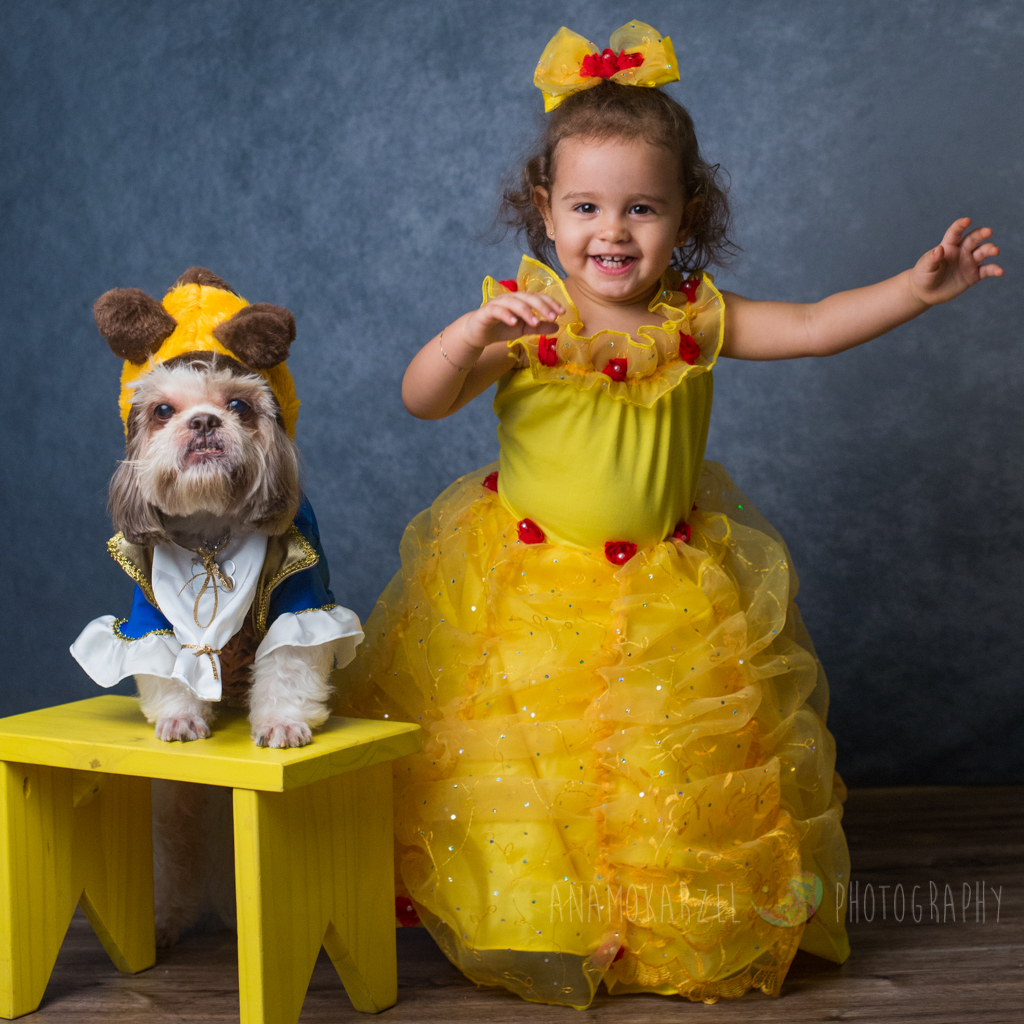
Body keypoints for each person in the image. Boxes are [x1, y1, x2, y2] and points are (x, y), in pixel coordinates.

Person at [334, 20, 1002, 1008]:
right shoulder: (526, 322)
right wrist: (468, 330)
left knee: (663, 772)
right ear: (545, 211)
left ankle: (652, 929)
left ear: (686, 211)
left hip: (664, 594)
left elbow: (814, 326)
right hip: (528, 589)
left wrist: (913, 289)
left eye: (641, 207)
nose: (612, 231)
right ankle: (548, 922)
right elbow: (423, 398)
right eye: (588, 206)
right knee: (529, 770)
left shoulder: (697, 317)